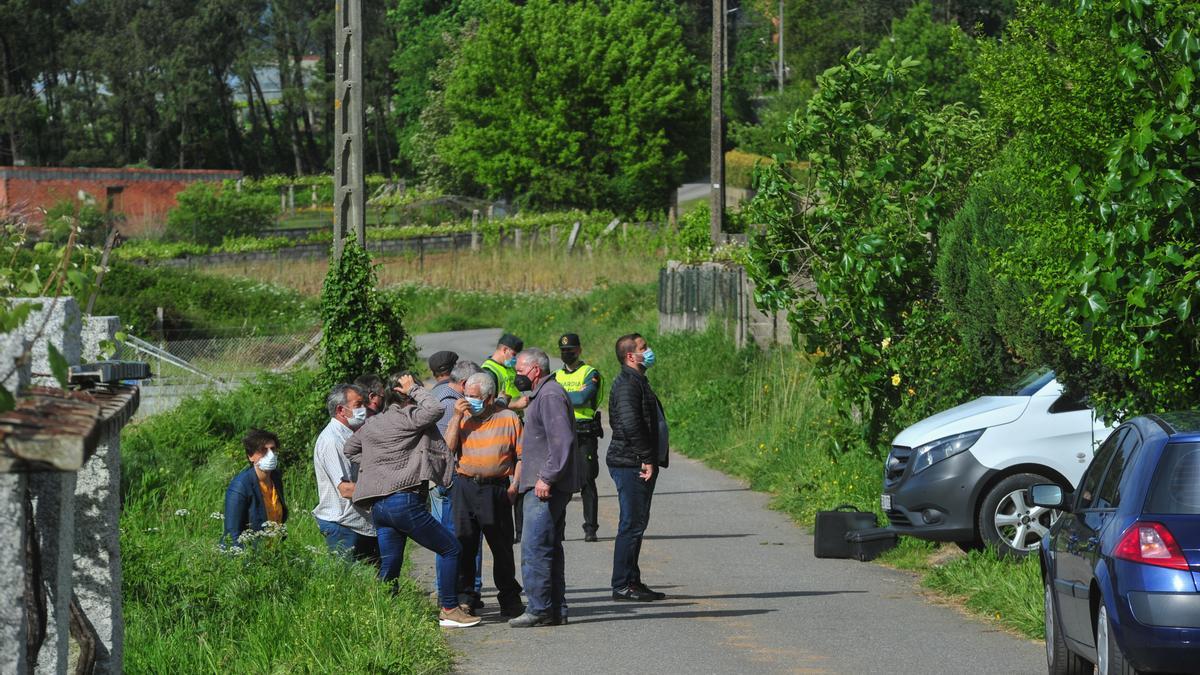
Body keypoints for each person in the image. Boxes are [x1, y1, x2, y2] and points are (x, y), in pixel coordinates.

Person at [343, 371, 481, 628]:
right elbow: (436, 409)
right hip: (403, 501)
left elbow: (349, 449)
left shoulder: (372, 424)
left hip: (379, 507)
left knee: (391, 564)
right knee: (451, 548)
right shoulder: (409, 417)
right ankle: (450, 609)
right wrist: (415, 388)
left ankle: (386, 613)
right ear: (406, 394)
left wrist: (378, 466)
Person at [442, 372, 525, 618]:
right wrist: (456, 416)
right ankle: (466, 598)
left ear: (489, 398)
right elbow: (448, 448)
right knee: (464, 544)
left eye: (474, 397)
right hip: (465, 486)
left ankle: (509, 599)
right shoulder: (462, 417)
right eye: (466, 395)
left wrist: (514, 486)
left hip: (496, 488)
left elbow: (522, 456)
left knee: (501, 547)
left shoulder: (508, 418)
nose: (468, 401)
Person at [507, 348, 579, 628]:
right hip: (544, 485)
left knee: (535, 548)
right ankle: (555, 609)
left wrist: (547, 477)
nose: (517, 376)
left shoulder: (549, 396)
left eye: (521, 372)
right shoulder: (542, 395)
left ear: (536, 370)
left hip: (545, 487)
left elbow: (562, 441)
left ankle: (539, 608)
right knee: (549, 547)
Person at [606, 333, 669, 602]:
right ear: (631, 356)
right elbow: (632, 424)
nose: (649, 351)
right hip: (630, 463)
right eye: (644, 348)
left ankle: (633, 580)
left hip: (636, 461)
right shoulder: (627, 386)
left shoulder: (637, 381)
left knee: (637, 523)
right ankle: (622, 584)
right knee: (631, 524)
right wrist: (646, 457)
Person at [428, 353, 484, 608]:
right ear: (463, 385)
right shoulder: (452, 405)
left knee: (450, 539)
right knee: (455, 540)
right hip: (450, 482)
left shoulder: (437, 395)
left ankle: (456, 593)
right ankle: (453, 595)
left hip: (442, 480)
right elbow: (449, 448)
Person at [311, 384, 378, 562]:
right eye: (358, 405)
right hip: (343, 525)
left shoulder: (351, 434)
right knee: (349, 581)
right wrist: (384, 491)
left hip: (360, 522)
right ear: (341, 410)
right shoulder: (331, 440)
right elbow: (345, 489)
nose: (364, 410)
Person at [554, 333, 604, 542]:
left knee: (586, 481)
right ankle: (558, 530)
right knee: (559, 483)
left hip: (584, 433)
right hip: (562, 432)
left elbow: (584, 398)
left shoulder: (590, 373)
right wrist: (570, 397)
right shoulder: (556, 375)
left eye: (571, 350)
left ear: (579, 350)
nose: (567, 354)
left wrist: (561, 396)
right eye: (564, 351)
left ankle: (590, 528)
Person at [482, 333, 528, 541]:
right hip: (500, 428)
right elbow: (486, 402)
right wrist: (516, 405)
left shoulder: (507, 368)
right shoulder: (489, 371)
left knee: (520, 477)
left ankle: (519, 531)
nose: (515, 358)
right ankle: (503, 529)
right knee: (505, 479)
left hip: (514, 425)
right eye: (514, 354)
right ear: (504, 350)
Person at [222, 429, 289, 548]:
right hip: (250, 554)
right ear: (251, 456)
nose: (270, 455)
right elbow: (232, 533)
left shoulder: (276, 477)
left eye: (272, 449)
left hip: (273, 553)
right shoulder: (240, 486)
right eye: (263, 450)